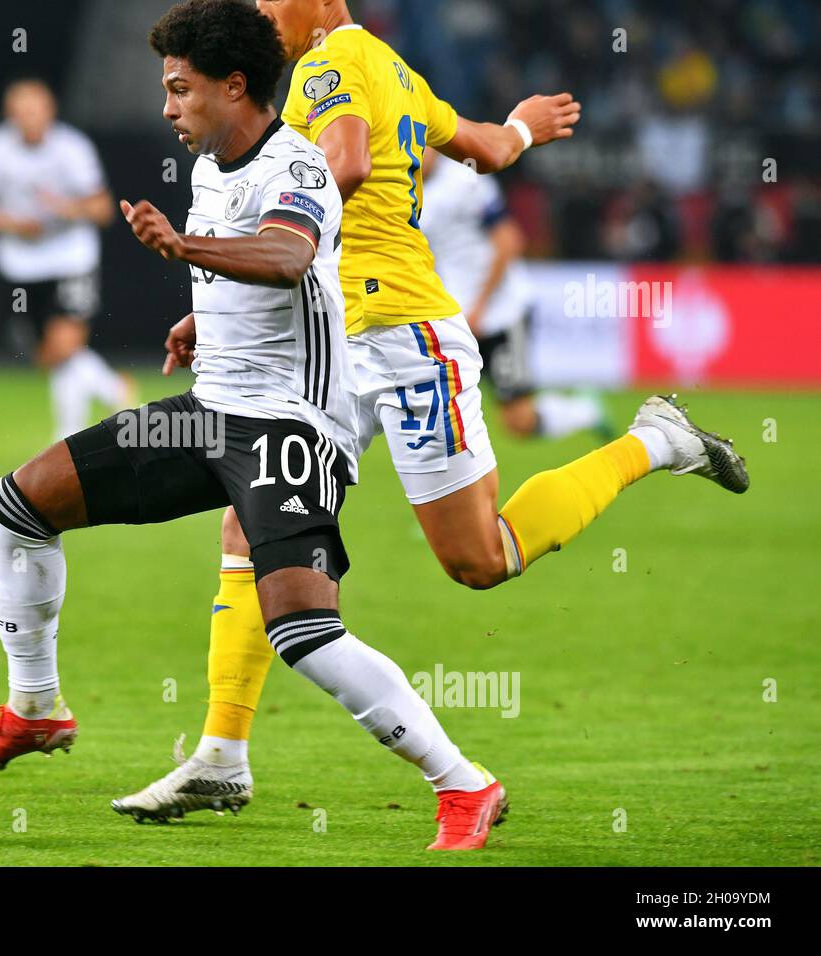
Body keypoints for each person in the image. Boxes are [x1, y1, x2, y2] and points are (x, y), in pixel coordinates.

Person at [114, 0, 747, 831]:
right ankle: (221, 756)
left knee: (479, 560)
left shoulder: (332, 63)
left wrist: (254, 240)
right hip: (331, 346)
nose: (261, 11)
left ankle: (652, 442)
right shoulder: (395, 69)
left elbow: (340, 167)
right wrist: (519, 129)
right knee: (249, 521)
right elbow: (483, 147)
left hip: (403, 342)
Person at [0, 0, 509, 852]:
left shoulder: (299, 164)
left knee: (304, 633)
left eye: (180, 90)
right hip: (207, 417)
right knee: (17, 506)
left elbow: (289, 254)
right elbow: (260, 275)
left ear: (233, 85)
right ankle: (36, 707)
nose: (167, 108)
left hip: (287, 431)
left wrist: (183, 250)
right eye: (165, 90)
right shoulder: (209, 166)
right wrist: (202, 319)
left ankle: (464, 784)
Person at [0, 77, 132, 438]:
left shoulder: (73, 148)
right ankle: (114, 388)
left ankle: (68, 436)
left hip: (70, 258)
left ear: (50, 111)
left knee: (64, 346)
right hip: (17, 264)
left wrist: (67, 210)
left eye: (36, 110)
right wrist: (11, 224)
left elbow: (103, 209)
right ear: (9, 114)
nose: (30, 119)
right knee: (46, 357)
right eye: (22, 111)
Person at [420, 150, 612, 441]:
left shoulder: (465, 180)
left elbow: (508, 241)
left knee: (519, 421)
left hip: (501, 313)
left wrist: (479, 306)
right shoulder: (406, 190)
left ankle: (585, 410)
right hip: (456, 316)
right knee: (436, 403)